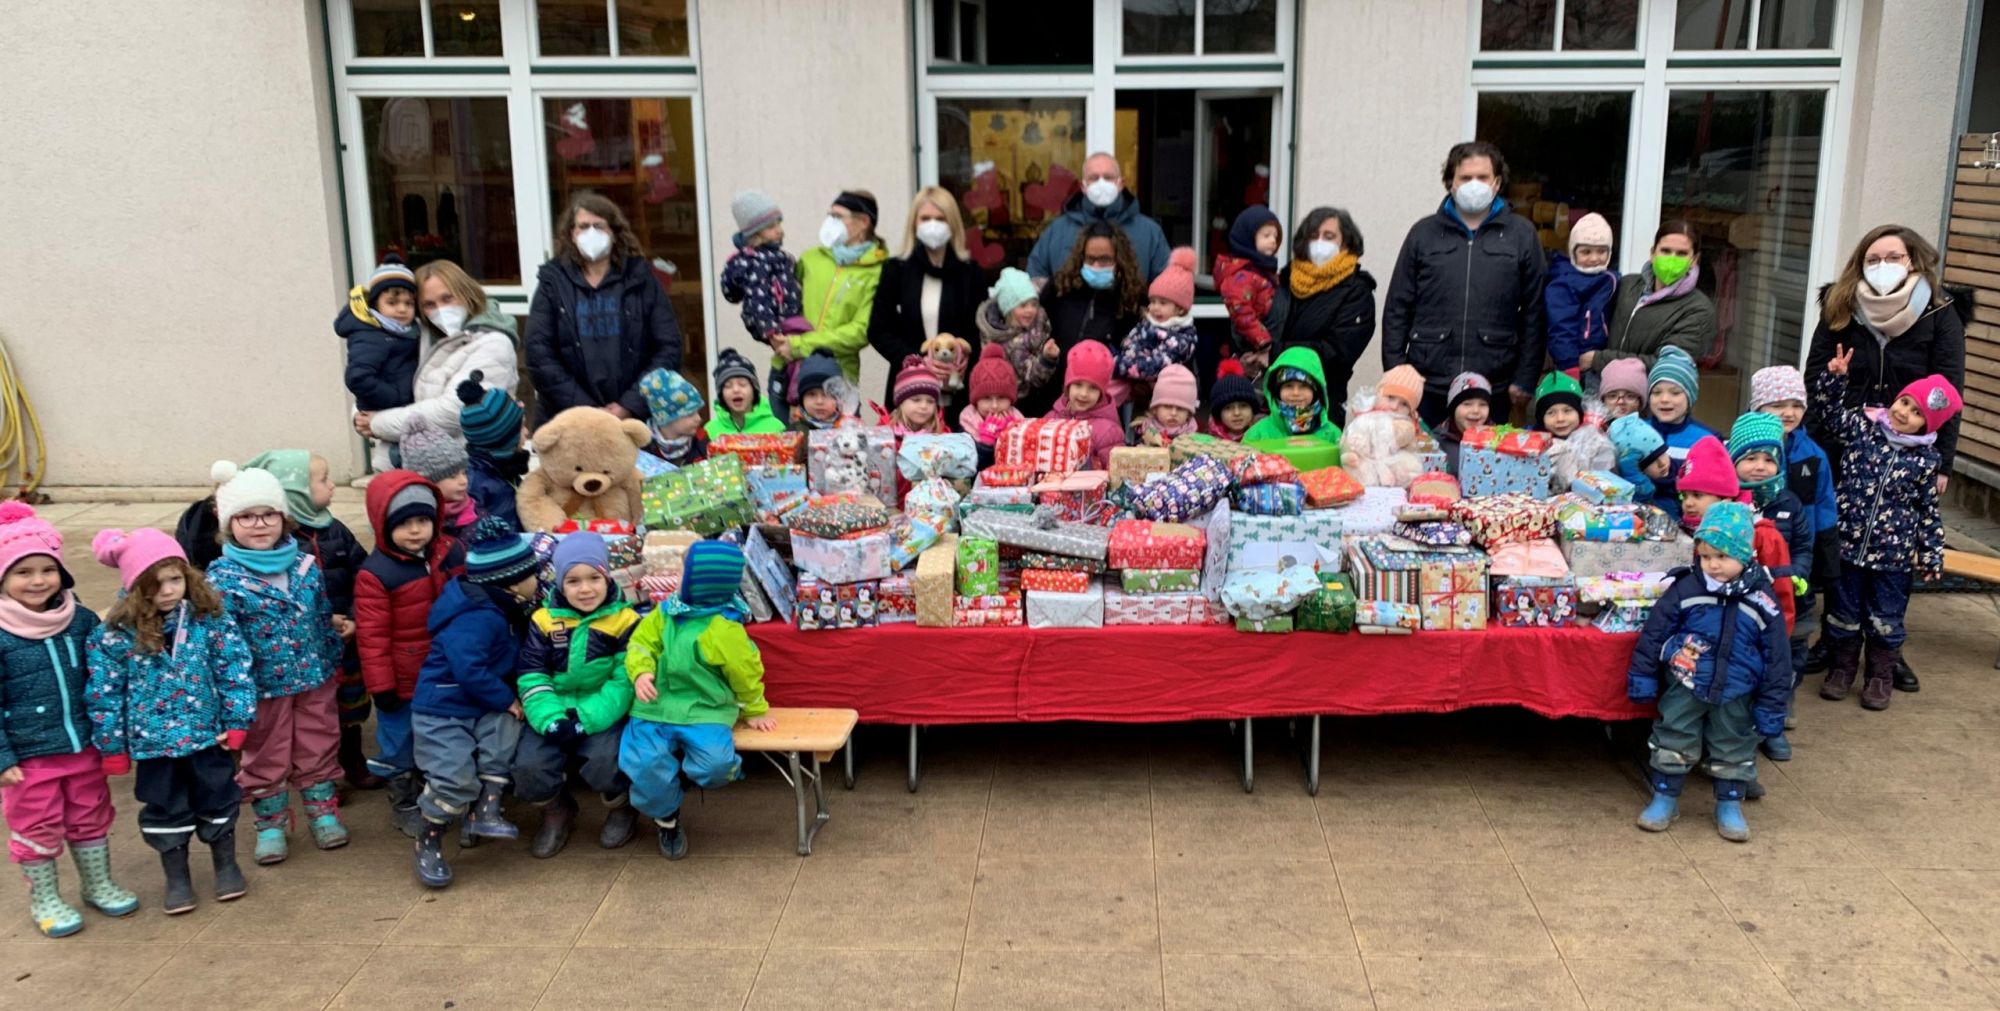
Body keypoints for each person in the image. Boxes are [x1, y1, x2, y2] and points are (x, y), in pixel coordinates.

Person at [1804, 225, 1967, 693]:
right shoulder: (1840, 303)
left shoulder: (1940, 313)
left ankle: (1886, 652)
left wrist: (1943, 462)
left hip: (1911, 451)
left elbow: (1949, 391)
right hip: (1845, 444)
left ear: (1913, 261)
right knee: (1842, 547)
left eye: (1893, 256)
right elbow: (1817, 372)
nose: (1883, 264)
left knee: (1893, 558)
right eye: (1874, 256)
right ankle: (1837, 646)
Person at [86, 529, 252, 917]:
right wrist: (111, 746)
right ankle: (176, 875)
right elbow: (103, 693)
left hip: (208, 735)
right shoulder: (113, 635)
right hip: (153, 745)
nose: (167, 590)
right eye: (154, 583)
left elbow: (234, 669)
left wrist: (238, 719)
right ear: (134, 587)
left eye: (175, 578)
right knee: (164, 807)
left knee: (219, 797)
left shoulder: (207, 618)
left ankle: (226, 863)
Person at [0, 505, 138, 937]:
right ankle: (45, 896)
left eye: (47, 569)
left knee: (90, 814)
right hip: (29, 755)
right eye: (23, 572)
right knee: (36, 823)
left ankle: (97, 883)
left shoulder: (79, 620)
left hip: (84, 744)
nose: (38, 580)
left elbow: (107, 674)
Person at [204, 461, 347, 864]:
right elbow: (222, 645)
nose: (259, 524)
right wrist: (231, 698)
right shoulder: (222, 580)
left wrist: (333, 659)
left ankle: (322, 811)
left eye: (268, 514)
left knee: (318, 744)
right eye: (246, 516)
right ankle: (270, 823)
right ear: (228, 523)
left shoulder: (305, 566)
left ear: (283, 518)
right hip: (261, 688)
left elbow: (321, 617)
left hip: (314, 678)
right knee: (266, 754)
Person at [1627, 502, 1790, 843]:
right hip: (1686, 683)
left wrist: (1773, 707)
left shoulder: (1762, 599)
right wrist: (1642, 677)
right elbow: (1655, 633)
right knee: (1673, 735)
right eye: (1706, 556)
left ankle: (1729, 803)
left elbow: (1777, 657)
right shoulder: (1687, 588)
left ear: (1745, 555)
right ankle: (1665, 798)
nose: (1713, 565)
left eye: (1723, 557)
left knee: (1734, 743)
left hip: (1737, 689)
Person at [1812, 348, 1960, 710]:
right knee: (1843, 613)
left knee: (1885, 619)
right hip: (1849, 546)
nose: (1903, 413)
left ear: (1928, 426)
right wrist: (1835, 379)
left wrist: (1931, 553)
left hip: (1891, 558)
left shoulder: (1924, 460)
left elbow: (1927, 511)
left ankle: (1879, 676)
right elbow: (1829, 415)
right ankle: (1842, 669)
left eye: (1915, 414)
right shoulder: (1864, 426)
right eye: (1905, 402)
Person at [619, 540, 776, 860]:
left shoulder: (724, 629)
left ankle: (676, 780)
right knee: (644, 768)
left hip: (705, 709)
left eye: (683, 572)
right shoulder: (664, 613)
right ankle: (667, 819)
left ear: (700, 582)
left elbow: (745, 672)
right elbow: (640, 643)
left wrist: (756, 708)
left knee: (717, 767)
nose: (676, 578)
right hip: (655, 707)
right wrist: (640, 672)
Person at [410, 517, 539, 887]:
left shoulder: (502, 607)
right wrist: (506, 698)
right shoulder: (479, 616)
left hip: (476, 703)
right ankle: (429, 839)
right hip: (444, 710)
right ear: (513, 583)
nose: (538, 581)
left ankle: (484, 811)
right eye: (533, 575)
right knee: (454, 777)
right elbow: (469, 668)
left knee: (503, 734)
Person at [1382, 142, 1546, 426]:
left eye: (1482, 178)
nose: (1474, 185)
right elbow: (1398, 306)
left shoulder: (1522, 235)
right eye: (1465, 177)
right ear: (1450, 182)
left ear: (1496, 182)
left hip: (1492, 385)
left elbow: (1534, 312)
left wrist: (1525, 378)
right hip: (1427, 381)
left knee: (1486, 467)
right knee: (1422, 466)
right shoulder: (1424, 233)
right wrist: (1397, 370)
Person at [242, 450, 375, 791]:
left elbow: (364, 574)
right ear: (296, 490)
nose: (332, 486)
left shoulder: (334, 529)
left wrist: (356, 617)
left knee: (351, 706)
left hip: (346, 638)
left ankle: (353, 763)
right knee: (316, 714)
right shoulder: (278, 544)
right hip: (308, 649)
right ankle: (321, 776)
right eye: (322, 480)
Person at [515, 533, 641, 858]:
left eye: (593, 578)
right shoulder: (544, 620)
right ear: (558, 583)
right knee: (529, 766)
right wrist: (550, 718)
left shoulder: (625, 620)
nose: (585, 589)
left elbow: (623, 680)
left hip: (599, 709)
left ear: (607, 576)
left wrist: (587, 719)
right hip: (553, 707)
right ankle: (556, 809)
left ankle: (621, 807)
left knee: (606, 760)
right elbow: (532, 673)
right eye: (573, 581)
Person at [354, 470, 464, 837]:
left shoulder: (450, 552)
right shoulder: (376, 573)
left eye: (422, 521)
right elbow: (372, 636)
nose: (415, 530)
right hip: (402, 678)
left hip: (446, 669)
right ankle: (403, 798)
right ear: (384, 526)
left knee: (442, 737)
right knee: (399, 738)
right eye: (403, 524)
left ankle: (439, 792)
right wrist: (380, 686)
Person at [524, 194, 683, 421]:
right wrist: (585, 408)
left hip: (633, 420)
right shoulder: (553, 282)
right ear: (571, 233)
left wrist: (629, 404)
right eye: (583, 226)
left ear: (614, 233)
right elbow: (539, 354)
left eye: (599, 226)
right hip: (569, 419)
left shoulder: (640, 279)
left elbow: (668, 348)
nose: (591, 233)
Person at [359, 260, 519, 458]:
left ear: (466, 293)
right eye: (429, 304)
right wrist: (360, 415)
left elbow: (454, 411)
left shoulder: (494, 343)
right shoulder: (420, 336)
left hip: (466, 470)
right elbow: (376, 378)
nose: (440, 310)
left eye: (447, 298)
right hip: (415, 463)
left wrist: (378, 423)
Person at [1729, 412, 1813, 760]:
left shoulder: (1789, 504)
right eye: (1750, 458)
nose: (1760, 467)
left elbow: (1805, 545)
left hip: (1784, 600)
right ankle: (1738, 727)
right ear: (1733, 461)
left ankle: (1773, 726)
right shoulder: (1727, 501)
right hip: (1741, 601)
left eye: (1768, 458)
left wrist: (1798, 573)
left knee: (1782, 668)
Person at [1750, 365, 1837, 684]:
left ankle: (1785, 690)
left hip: (1796, 562)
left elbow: (1825, 508)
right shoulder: (1745, 450)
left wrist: (1823, 561)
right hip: (1752, 561)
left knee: (1796, 629)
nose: (1788, 412)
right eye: (1778, 405)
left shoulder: (1813, 456)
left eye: (1796, 404)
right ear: (1758, 407)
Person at [867, 187, 987, 411]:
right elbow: (878, 330)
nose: (933, 224)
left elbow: (979, 332)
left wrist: (964, 358)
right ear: (914, 223)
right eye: (926, 218)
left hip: (960, 397)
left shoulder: (971, 273)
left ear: (953, 223)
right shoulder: (897, 270)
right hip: (909, 394)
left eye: (941, 219)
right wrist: (917, 361)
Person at [766, 191, 888, 403]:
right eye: (829, 215)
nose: (830, 222)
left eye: (838, 216)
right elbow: (783, 303)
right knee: (789, 435)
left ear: (863, 222)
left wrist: (800, 345)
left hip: (838, 376)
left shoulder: (879, 271)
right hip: (789, 369)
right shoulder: (811, 258)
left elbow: (860, 331)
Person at [1266, 207, 1378, 428]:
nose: (1319, 242)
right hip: (1274, 397)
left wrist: (1272, 353)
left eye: (1329, 236)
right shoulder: (1286, 279)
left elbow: (1338, 352)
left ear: (1346, 242)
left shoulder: (1356, 291)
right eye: (1313, 236)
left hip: (1323, 402)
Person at [1675, 437, 1796, 631]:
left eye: (1698, 495)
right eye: (1684, 495)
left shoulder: (1763, 535)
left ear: (1725, 497)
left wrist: (1775, 644)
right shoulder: (1688, 533)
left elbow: (1781, 599)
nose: (1688, 503)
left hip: (1748, 640)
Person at [1028, 223, 1145, 417]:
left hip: (1099, 405)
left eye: (1105, 260)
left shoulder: (1131, 298)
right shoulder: (1060, 287)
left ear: (1119, 260)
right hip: (1050, 398)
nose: (1096, 266)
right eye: (1090, 259)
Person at [1587, 220, 1716, 384]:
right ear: (1653, 253)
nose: (1672, 259)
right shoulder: (1627, 285)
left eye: (1682, 254)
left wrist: (1597, 360)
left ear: (1694, 259)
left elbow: (1668, 366)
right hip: (1603, 390)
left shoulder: (1698, 309)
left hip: (1653, 402)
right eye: (1666, 251)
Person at [718, 190, 809, 408]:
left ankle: (797, 395)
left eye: (779, 223)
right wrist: (770, 331)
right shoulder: (757, 261)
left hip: (790, 319)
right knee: (794, 367)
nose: (779, 230)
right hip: (778, 324)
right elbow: (757, 300)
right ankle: (795, 398)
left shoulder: (781, 257)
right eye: (771, 226)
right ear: (755, 233)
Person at [1025, 152, 1170, 283]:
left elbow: (1166, 287)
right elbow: (1035, 279)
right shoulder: (1057, 231)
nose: (1101, 183)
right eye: (1094, 178)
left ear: (1121, 183)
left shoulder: (1149, 232)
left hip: (1130, 311)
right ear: (1083, 186)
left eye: (1108, 177)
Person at [337, 255, 421, 471]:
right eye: (392, 303)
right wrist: (396, 397)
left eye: (408, 303)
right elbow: (358, 376)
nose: (402, 309)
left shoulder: (403, 333)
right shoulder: (372, 335)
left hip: (397, 415)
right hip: (386, 411)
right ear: (375, 304)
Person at [1645, 346, 1718, 520]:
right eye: (1656, 392)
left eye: (1675, 393)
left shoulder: (1706, 439)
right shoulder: (1637, 431)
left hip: (1685, 524)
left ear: (1690, 396)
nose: (1664, 399)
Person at [1115, 247, 1200, 394]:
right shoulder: (1147, 324)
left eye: (1163, 303)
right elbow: (1129, 344)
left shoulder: (1182, 339)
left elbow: (1155, 365)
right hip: (1138, 388)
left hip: (1168, 396)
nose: (1155, 308)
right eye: (1152, 301)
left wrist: (1116, 364)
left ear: (1180, 309)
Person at [976, 267, 1060, 410]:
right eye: (1023, 305)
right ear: (1008, 309)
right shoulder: (1012, 343)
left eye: (1034, 304)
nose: (1030, 310)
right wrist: (1047, 359)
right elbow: (1034, 376)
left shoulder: (1039, 322)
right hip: (1018, 402)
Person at [1544, 213, 1616, 379]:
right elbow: (1561, 327)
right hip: (1576, 362)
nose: (1594, 258)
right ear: (1572, 253)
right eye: (1586, 252)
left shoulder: (1609, 279)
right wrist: (1569, 363)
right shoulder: (1564, 284)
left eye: (1601, 251)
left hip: (1602, 359)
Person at [1214, 205, 1282, 377]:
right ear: (1248, 238)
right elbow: (1241, 312)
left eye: (1276, 236)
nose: (1273, 240)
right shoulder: (1242, 276)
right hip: (1253, 347)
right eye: (1266, 235)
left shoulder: (1264, 272)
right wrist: (1263, 342)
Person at [456, 372, 527, 531]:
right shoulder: (474, 481)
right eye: (521, 428)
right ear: (505, 438)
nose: (527, 432)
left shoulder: (505, 469)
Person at [1244, 345, 1343, 452]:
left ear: (1316, 391)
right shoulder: (1258, 434)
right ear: (1277, 391)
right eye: (1288, 386)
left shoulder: (1332, 434)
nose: (1296, 393)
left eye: (1304, 386)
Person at [1046, 340, 1125, 469]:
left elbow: (1115, 472)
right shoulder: (1051, 419)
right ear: (1068, 386)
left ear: (1101, 393)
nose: (1084, 394)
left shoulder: (1108, 431)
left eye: (1093, 388)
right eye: (1078, 385)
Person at [399, 417, 478, 540]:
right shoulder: (413, 526)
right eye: (452, 476)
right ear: (428, 484)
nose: (464, 481)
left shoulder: (476, 513)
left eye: (464, 473)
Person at [1534, 371, 1614, 489]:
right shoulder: (1533, 446)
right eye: (1551, 413)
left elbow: (1606, 486)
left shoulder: (1596, 444)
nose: (1560, 419)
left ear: (1579, 413)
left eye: (1567, 411)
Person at [961, 343, 1024, 467]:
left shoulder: (1020, 422)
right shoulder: (965, 427)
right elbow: (970, 467)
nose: (994, 405)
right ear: (976, 401)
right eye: (986, 398)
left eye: (1001, 398)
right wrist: (986, 444)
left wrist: (1012, 435)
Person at [705, 349, 787, 438]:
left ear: (754, 389)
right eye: (728, 386)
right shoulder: (709, 431)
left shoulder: (776, 428)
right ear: (721, 395)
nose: (736, 390)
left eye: (742, 384)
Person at [639, 367, 709, 467]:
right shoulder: (644, 448)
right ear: (667, 418)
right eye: (690, 414)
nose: (698, 418)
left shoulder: (702, 441)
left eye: (698, 412)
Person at [1434, 372, 1493, 476]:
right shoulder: (1437, 441)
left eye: (1483, 404)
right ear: (1453, 408)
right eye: (1467, 404)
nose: (1476, 410)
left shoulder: (1497, 440)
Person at [787, 351, 859, 432]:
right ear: (802, 399)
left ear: (838, 398)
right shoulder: (794, 433)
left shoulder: (849, 428)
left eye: (826, 394)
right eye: (811, 394)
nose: (819, 402)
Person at [1133, 363, 1199, 448]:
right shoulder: (1145, 430)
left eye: (1181, 408)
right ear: (1155, 408)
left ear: (1189, 413)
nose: (1174, 413)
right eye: (1167, 406)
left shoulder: (1194, 437)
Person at [1610, 414, 1672, 504]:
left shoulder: (1680, 473)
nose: (1662, 463)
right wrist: (1635, 478)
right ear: (1637, 467)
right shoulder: (1634, 488)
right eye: (1651, 461)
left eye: (1662, 453)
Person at [886, 356, 947, 436]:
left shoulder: (941, 434)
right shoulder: (886, 434)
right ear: (901, 402)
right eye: (916, 400)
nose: (924, 406)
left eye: (930, 401)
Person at [1205, 359, 1264, 442]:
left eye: (1243, 406)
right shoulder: (1208, 441)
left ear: (1252, 409)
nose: (1237, 413)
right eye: (1228, 408)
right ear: (1218, 413)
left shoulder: (1264, 435)